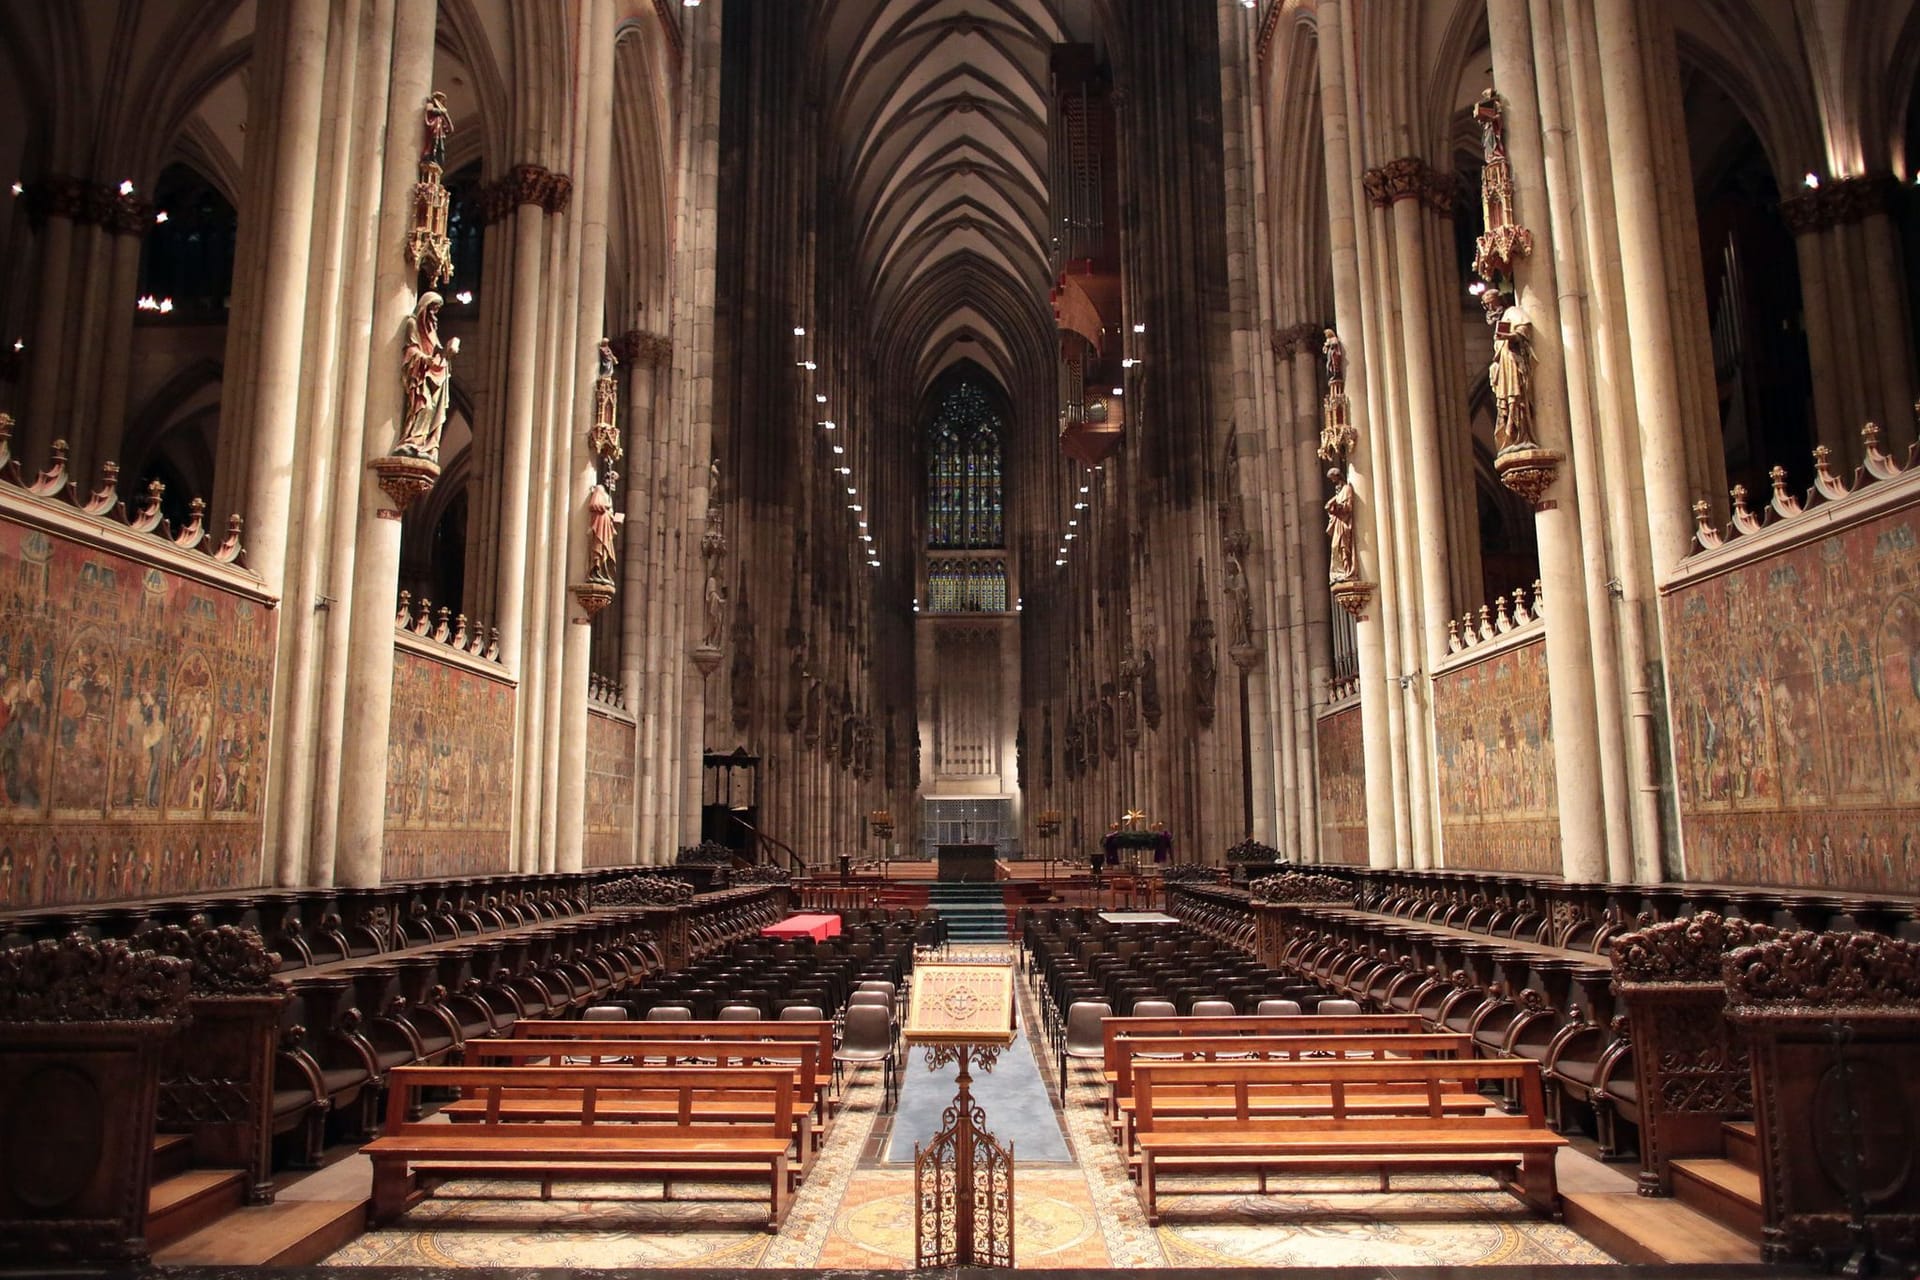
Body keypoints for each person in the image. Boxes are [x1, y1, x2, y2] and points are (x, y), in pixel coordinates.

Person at [393, 292, 457, 460]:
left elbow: (437, 349)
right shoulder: (412, 324)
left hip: (434, 377)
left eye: (436, 310)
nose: (434, 314)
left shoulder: (431, 330)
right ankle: (413, 440)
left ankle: (428, 445)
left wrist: (448, 352)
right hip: (421, 376)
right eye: (433, 309)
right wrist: (425, 359)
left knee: (435, 411)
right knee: (425, 406)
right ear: (425, 307)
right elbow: (411, 349)